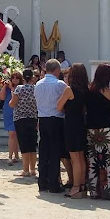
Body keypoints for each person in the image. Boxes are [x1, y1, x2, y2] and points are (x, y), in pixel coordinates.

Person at [86, 64, 110, 199]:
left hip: (90, 129)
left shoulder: (90, 89)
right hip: (105, 130)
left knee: (93, 161)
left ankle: (94, 191)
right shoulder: (105, 90)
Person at [34, 59, 68, 193]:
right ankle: (54, 183)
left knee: (44, 151)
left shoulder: (38, 84)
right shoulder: (60, 84)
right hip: (56, 118)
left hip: (43, 118)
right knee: (55, 152)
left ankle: (42, 182)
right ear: (56, 70)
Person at [57, 64, 88, 198]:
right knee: (81, 158)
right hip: (82, 123)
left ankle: (75, 187)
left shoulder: (69, 90)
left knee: (75, 158)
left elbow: (59, 106)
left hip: (71, 124)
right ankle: (82, 185)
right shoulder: (86, 90)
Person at [9, 69, 38, 177]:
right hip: (33, 118)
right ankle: (33, 169)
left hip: (20, 119)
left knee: (24, 144)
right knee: (32, 144)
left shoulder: (19, 89)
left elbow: (12, 104)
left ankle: (25, 170)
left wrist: (12, 96)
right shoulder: (35, 89)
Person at [0, 72, 22, 165]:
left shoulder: (20, 88)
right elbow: (1, 97)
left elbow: (15, 97)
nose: (15, 80)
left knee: (14, 134)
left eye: (17, 78)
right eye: (13, 78)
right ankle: (13, 156)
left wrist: (12, 88)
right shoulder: (7, 88)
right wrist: (5, 86)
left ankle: (12, 155)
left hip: (18, 111)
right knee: (12, 134)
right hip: (8, 111)